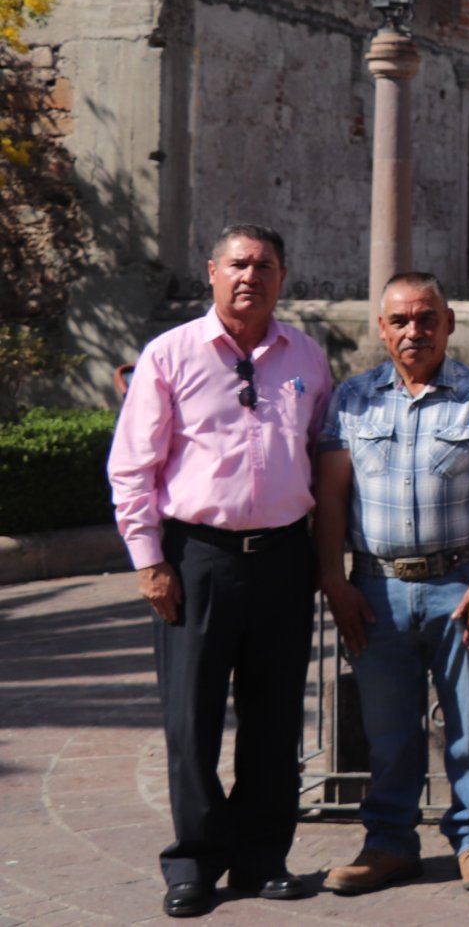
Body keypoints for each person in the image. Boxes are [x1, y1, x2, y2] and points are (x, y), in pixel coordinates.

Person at [105, 224, 333, 919]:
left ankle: (263, 856)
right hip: (197, 558)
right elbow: (133, 467)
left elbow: (322, 455)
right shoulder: (169, 355)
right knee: (192, 716)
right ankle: (196, 861)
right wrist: (150, 562)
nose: (250, 276)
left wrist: (324, 559)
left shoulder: (307, 357)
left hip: (283, 557)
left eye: (264, 265)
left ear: (282, 277)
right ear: (211, 271)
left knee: (273, 717)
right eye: (238, 263)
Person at [314, 272, 469, 896]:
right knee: (388, 728)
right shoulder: (351, 400)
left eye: (426, 318)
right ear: (381, 328)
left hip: (460, 585)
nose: (415, 331)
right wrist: (334, 581)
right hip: (376, 590)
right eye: (400, 321)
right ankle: (388, 843)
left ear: (449, 322)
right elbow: (329, 497)